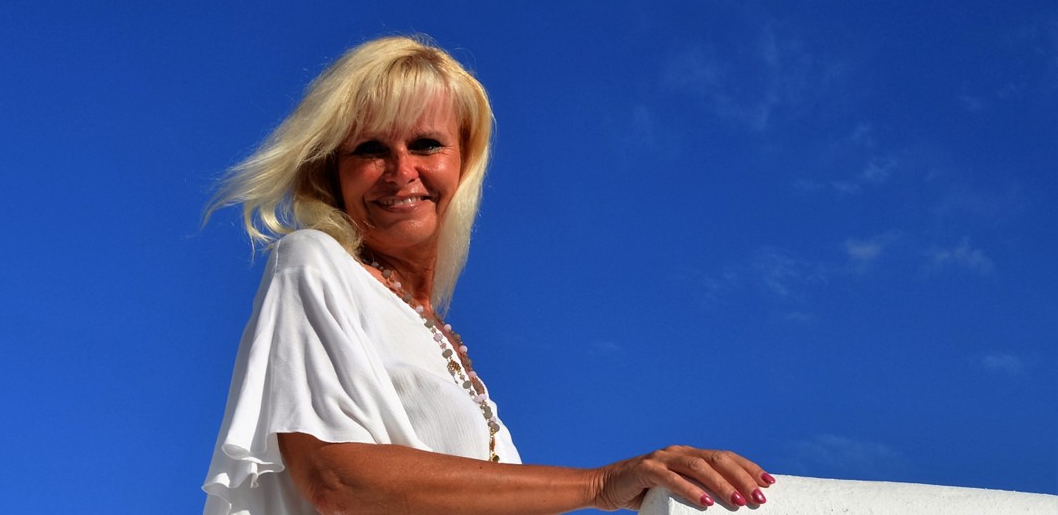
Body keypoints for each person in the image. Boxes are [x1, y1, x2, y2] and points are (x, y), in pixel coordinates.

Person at [200, 35, 772, 515]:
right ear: (333, 172)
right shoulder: (312, 261)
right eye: (370, 149)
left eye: (426, 144)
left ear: (464, 162)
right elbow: (335, 478)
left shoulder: (432, 328)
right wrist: (600, 484)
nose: (401, 171)